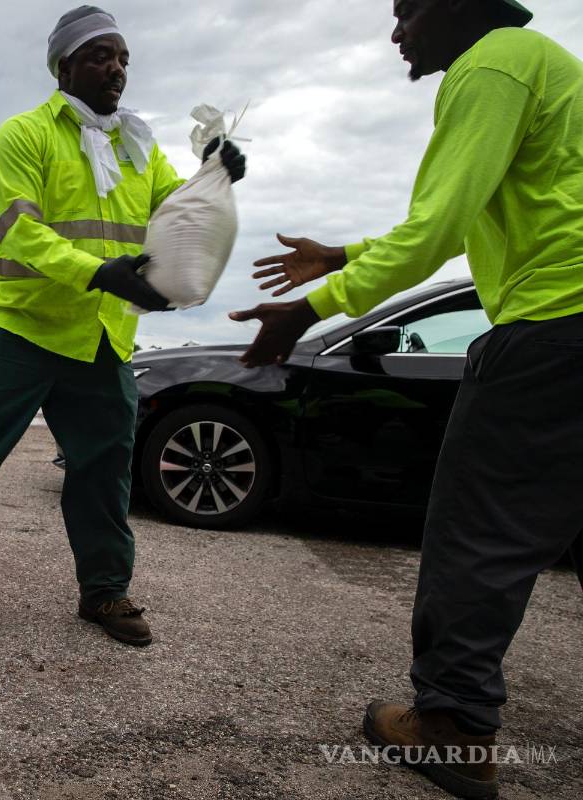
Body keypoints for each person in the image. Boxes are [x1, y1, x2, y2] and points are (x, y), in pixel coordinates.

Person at [231, 2, 582, 797]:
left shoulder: (490, 63)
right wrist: (344, 254)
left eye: (408, 11)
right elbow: (462, 221)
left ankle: (452, 727)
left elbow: (436, 226)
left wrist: (310, 310)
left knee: (479, 529)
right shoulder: (541, 65)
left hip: (555, 323)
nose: (398, 35)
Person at [0, 5, 245, 646]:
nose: (117, 69)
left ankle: (105, 594)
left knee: (105, 470)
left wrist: (216, 172)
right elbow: (21, 232)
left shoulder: (138, 150)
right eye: (101, 55)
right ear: (64, 65)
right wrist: (99, 273)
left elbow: (174, 213)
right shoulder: (25, 135)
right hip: (19, 328)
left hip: (99, 338)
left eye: (123, 57)